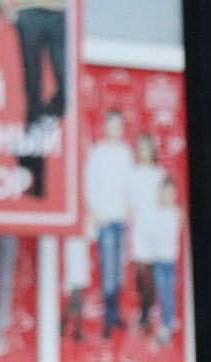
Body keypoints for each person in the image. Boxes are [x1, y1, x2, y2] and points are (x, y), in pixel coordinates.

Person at [2, 0, 66, 199]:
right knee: (33, 90)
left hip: (58, 11)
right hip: (27, 10)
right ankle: (32, 174)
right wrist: (4, 7)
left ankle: (38, 128)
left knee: (67, 84)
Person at [84, 111, 133, 340]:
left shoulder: (126, 153)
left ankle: (115, 315)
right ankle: (107, 319)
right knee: (108, 272)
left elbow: (130, 186)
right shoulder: (98, 152)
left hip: (121, 220)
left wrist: (130, 212)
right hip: (105, 220)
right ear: (105, 126)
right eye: (112, 125)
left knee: (118, 271)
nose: (116, 129)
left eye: (119, 125)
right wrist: (96, 212)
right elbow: (90, 184)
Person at [127, 133, 166, 337]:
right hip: (138, 228)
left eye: (147, 147)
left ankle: (147, 313)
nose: (144, 152)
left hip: (155, 228)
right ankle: (144, 308)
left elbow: (164, 202)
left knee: (150, 273)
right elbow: (130, 202)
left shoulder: (159, 174)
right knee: (140, 272)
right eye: (140, 148)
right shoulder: (133, 174)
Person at [137, 176, 183, 347]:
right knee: (161, 293)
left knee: (167, 293)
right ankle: (167, 321)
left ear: (175, 194)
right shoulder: (157, 213)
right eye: (163, 193)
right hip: (158, 260)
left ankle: (167, 325)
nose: (166, 196)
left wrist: (154, 234)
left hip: (168, 261)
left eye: (169, 193)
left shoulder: (174, 213)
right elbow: (150, 234)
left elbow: (163, 235)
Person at [61, 230, 92, 345]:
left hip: (80, 263)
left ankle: (69, 328)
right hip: (71, 263)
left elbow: (91, 235)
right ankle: (73, 329)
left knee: (77, 298)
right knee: (75, 298)